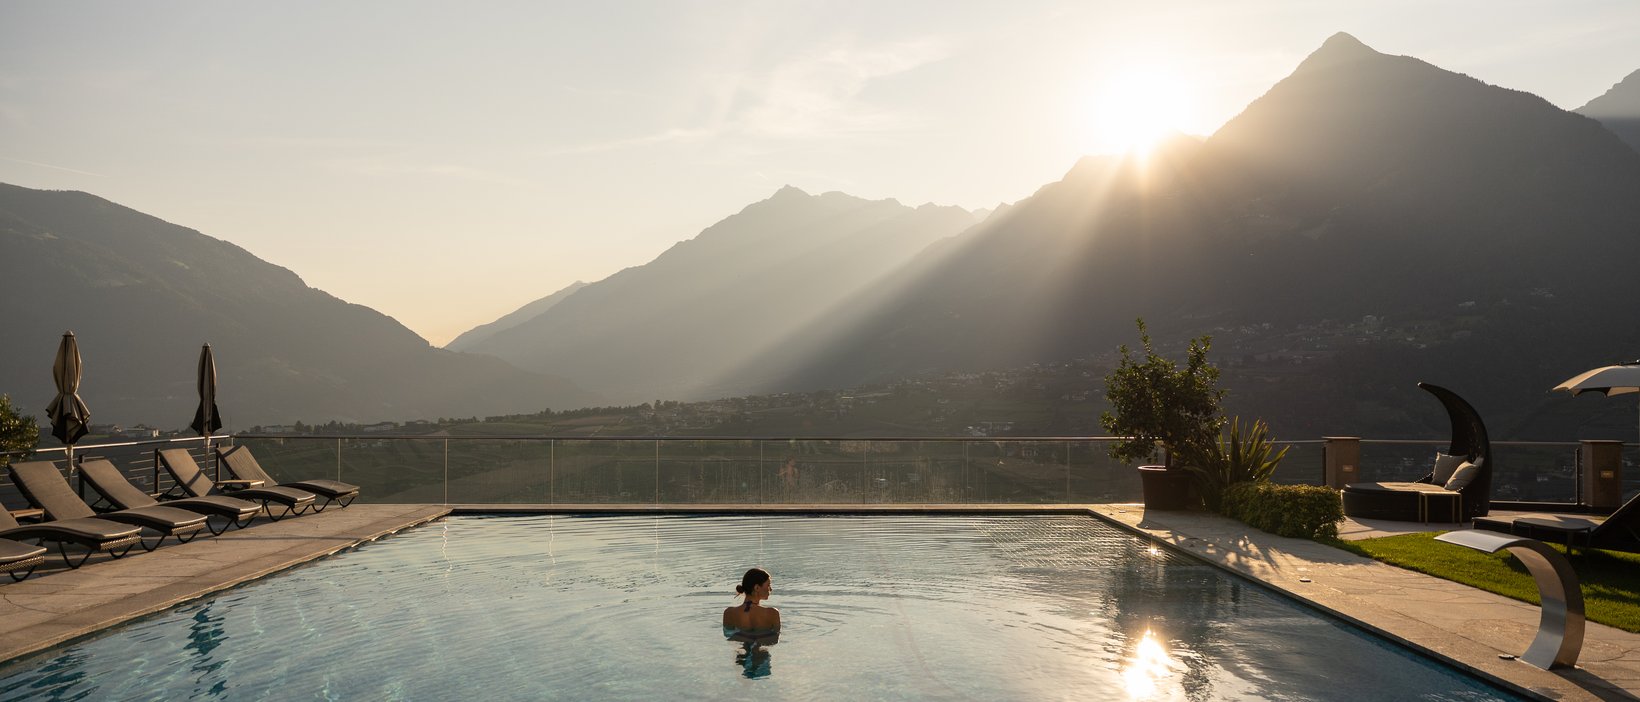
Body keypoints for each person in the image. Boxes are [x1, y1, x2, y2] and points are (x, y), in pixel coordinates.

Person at [722, 567, 781, 634]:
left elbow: (728, 636)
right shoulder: (772, 613)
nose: (770, 589)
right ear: (757, 588)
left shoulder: (729, 613)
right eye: (768, 585)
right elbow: (775, 639)